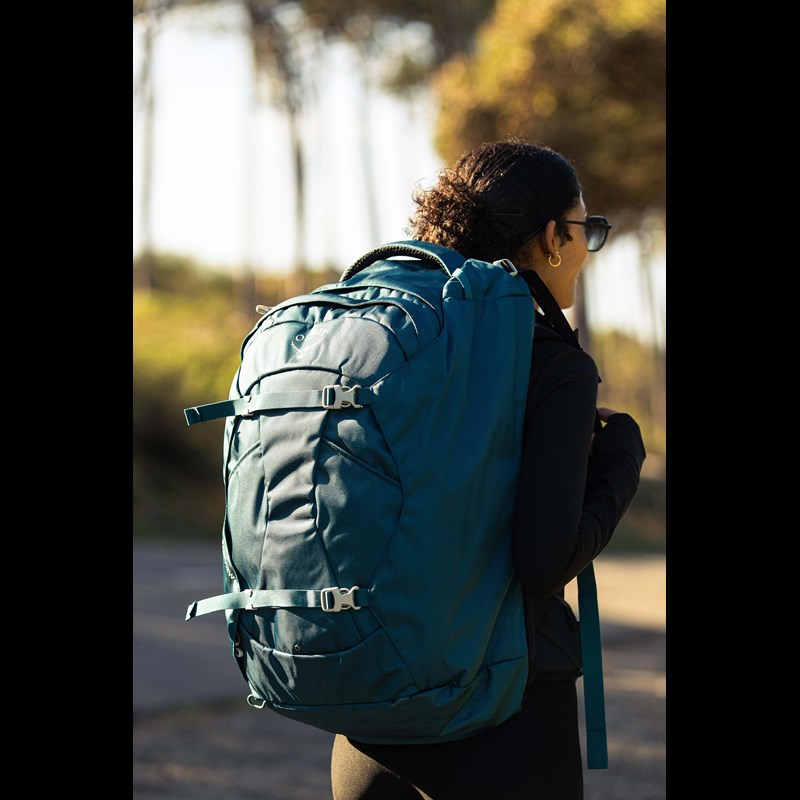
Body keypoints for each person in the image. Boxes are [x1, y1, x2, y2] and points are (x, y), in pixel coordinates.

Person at [329, 139, 647, 800]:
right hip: (502, 717)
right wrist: (621, 460)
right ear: (554, 239)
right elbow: (543, 559)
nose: (588, 251)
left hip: (368, 721)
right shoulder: (552, 363)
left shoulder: (393, 348)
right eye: (585, 230)